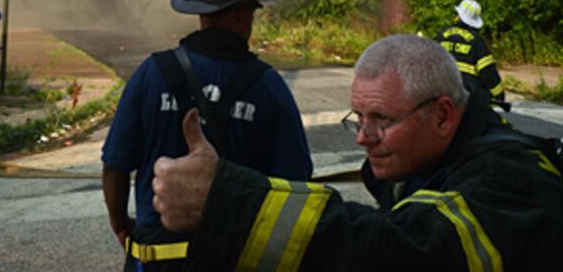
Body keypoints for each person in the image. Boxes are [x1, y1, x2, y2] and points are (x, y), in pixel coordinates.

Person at [152, 34, 563, 271]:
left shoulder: (509, 182)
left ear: (442, 116)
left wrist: (228, 204)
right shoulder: (431, 160)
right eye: (358, 117)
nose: (362, 138)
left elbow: (403, 254)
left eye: (381, 118)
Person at [102, 0, 313, 271]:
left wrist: (120, 224)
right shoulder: (269, 87)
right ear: (242, 14)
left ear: (199, 11)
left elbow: (116, 166)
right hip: (237, 258)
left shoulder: (152, 73)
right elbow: (296, 186)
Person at [435, 0, 505, 104]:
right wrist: (499, 95)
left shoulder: (441, 36)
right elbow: (488, 72)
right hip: (469, 97)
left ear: (458, 16)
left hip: (442, 93)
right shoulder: (476, 41)